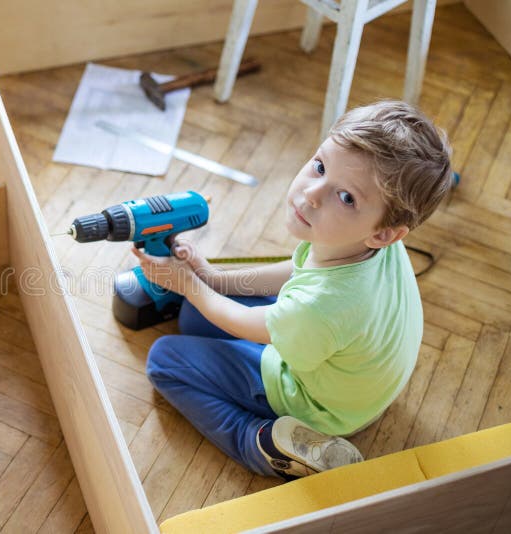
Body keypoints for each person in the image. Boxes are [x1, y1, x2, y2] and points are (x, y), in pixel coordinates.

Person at [131, 100, 453, 479]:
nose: (312, 193)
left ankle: (260, 443)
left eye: (346, 197)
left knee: (166, 359)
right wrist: (213, 278)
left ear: (384, 232)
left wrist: (188, 282)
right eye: (320, 166)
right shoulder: (365, 241)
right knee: (194, 314)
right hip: (359, 384)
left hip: (322, 406)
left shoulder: (322, 306)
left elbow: (249, 322)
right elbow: (300, 271)